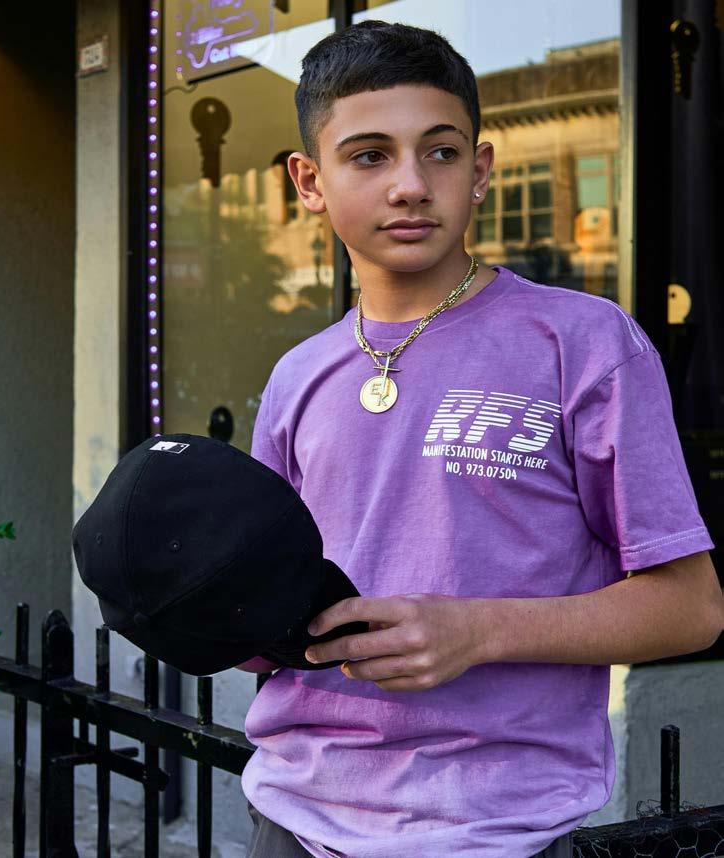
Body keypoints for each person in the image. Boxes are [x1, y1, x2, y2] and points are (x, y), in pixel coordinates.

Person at [234, 20, 722, 858]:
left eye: (442, 152)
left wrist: (479, 631)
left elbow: (692, 608)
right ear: (309, 181)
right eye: (369, 156)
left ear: (482, 169)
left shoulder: (583, 343)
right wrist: (204, 611)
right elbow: (266, 615)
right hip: (296, 814)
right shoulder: (297, 375)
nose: (411, 185)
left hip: (496, 829)